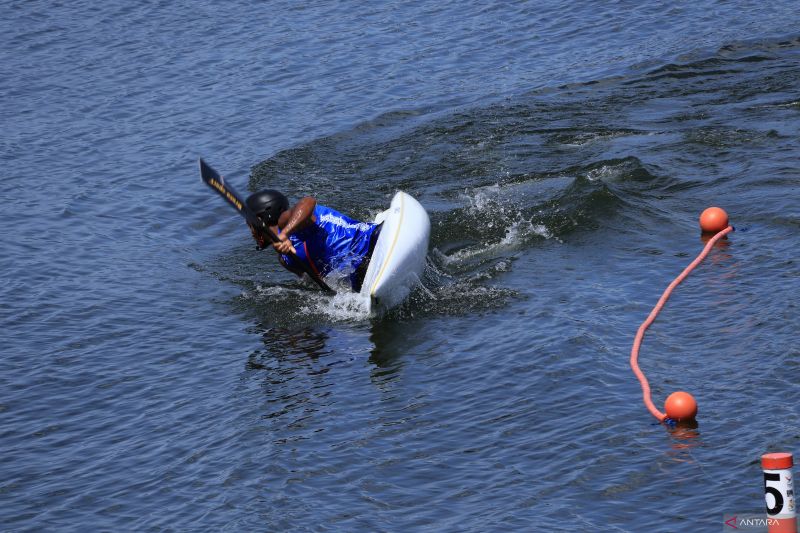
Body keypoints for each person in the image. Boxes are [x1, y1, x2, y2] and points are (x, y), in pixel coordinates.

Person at [245, 189, 381, 292]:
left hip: (372, 240)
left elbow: (308, 202)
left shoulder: (285, 221)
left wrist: (285, 234)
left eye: (250, 225)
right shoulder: (285, 259)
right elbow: (315, 282)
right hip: (357, 270)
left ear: (260, 220)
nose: (251, 233)